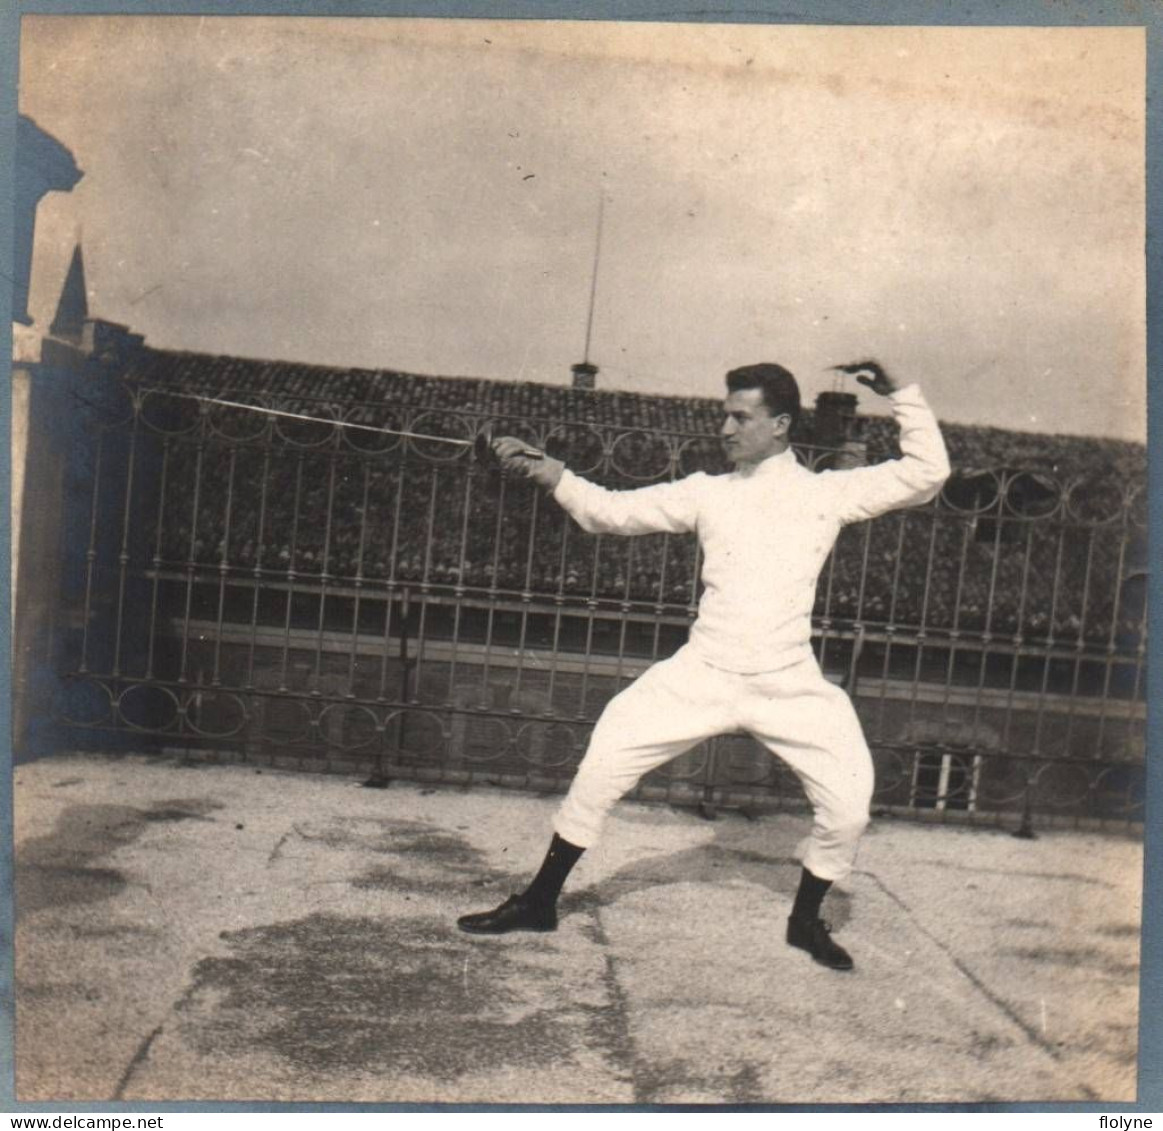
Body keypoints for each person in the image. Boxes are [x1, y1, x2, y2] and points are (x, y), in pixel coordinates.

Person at [457, 360, 950, 970]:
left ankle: (804, 921)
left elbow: (928, 474)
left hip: (788, 683)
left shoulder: (828, 494)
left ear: (780, 425)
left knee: (849, 806)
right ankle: (539, 902)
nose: (725, 427)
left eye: (740, 416)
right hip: (703, 672)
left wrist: (902, 390)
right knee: (605, 760)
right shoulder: (706, 492)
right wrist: (550, 472)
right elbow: (609, 511)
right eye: (725, 414)